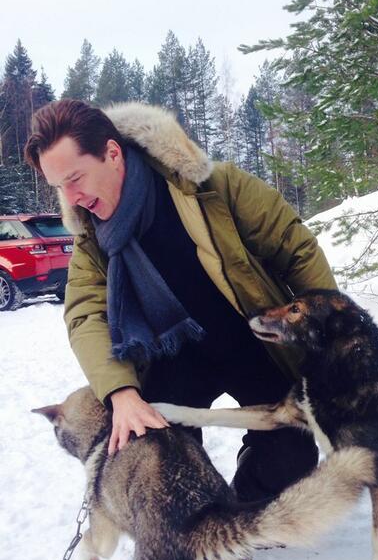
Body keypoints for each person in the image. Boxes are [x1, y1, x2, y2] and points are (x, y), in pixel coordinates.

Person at [25, 99, 337, 501]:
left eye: (75, 178)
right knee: (153, 458)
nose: (71, 198)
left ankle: (243, 506)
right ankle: (200, 515)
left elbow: (297, 251)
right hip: (172, 357)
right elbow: (86, 315)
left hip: (251, 342)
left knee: (290, 456)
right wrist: (121, 392)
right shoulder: (92, 240)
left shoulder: (214, 187)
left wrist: (331, 342)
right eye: (59, 187)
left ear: (112, 153)